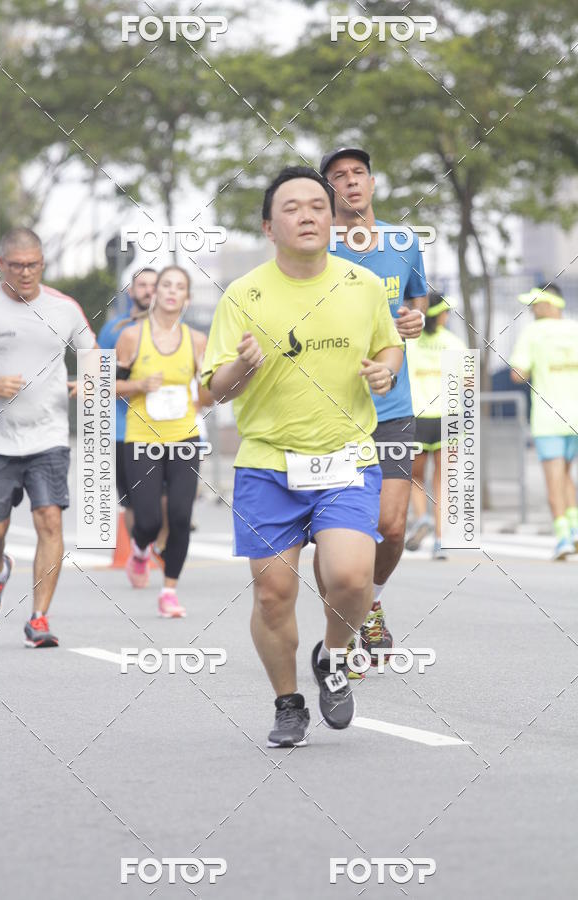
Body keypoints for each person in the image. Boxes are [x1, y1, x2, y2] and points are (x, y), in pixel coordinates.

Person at [201, 166, 404, 748]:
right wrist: (242, 364)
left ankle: (333, 657)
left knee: (349, 576)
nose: (309, 214)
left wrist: (386, 369)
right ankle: (287, 702)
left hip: (345, 458)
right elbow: (214, 388)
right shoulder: (244, 294)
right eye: (293, 207)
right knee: (272, 594)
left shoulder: (361, 286)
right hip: (267, 464)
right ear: (270, 226)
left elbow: (387, 343)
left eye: (319, 205)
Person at [318, 147, 427, 666]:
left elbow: (416, 299)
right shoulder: (319, 246)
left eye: (358, 173)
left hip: (392, 406)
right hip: (333, 409)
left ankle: (373, 601)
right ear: (329, 192)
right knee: (338, 532)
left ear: (373, 182)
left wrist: (414, 319)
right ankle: (339, 630)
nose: (351, 182)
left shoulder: (404, 242)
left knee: (392, 525)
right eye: (339, 177)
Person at [0, 227, 96, 645]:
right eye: (17, 266)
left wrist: (89, 380)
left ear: (42, 264)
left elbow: (92, 354)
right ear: (1, 264)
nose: (26, 273)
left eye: (34, 265)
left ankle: (39, 619)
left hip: (48, 437)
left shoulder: (64, 308)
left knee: (49, 519)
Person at [115, 266, 211, 615]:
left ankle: (169, 591)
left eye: (180, 287)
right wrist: (139, 386)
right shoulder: (132, 337)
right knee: (149, 519)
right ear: (155, 293)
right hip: (141, 438)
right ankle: (140, 552)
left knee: (182, 515)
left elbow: (209, 393)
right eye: (166, 285)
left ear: (187, 298)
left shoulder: (197, 340)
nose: (172, 291)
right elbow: (111, 386)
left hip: (185, 436)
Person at [510, 284, 578, 560]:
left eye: (535, 304)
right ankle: (574, 530)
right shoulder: (575, 328)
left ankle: (562, 537)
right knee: (565, 476)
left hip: (549, 419)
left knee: (553, 480)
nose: (531, 310)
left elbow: (517, 373)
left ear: (550, 304)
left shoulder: (533, 332)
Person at [405, 293, 467, 559]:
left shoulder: (408, 342)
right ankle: (441, 541)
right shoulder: (454, 343)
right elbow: (467, 383)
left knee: (414, 477)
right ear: (441, 315)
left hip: (417, 417)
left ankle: (421, 518)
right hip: (449, 418)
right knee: (444, 484)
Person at [97, 268, 157, 538]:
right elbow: (95, 379)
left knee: (167, 498)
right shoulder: (113, 330)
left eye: (154, 285)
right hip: (124, 429)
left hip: (168, 429)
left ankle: (163, 549)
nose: (148, 290)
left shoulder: (178, 331)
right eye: (142, 285)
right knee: (133, 500)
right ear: (131, 291)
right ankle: (140, 551)